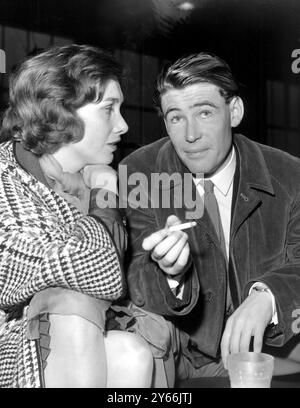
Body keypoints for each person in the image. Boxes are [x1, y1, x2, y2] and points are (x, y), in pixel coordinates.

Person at [121, 52, 300, 385]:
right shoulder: (137, 173)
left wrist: (267, 296)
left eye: (204, 112)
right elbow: (133, 279)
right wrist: (174, 275)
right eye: (176, 117)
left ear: (234, 112)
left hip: (266, 347)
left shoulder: (289, 174)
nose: (190, 135)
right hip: (176, 350)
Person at [0, 44, 154, 388]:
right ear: (60, 111)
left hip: (58, 357)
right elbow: (97, 271)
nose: (124, 126)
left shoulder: (73, 180)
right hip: (10, 361)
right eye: (108, 110)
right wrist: (104, 196)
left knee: (130, 353)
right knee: (70, 304)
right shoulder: (5, 185)